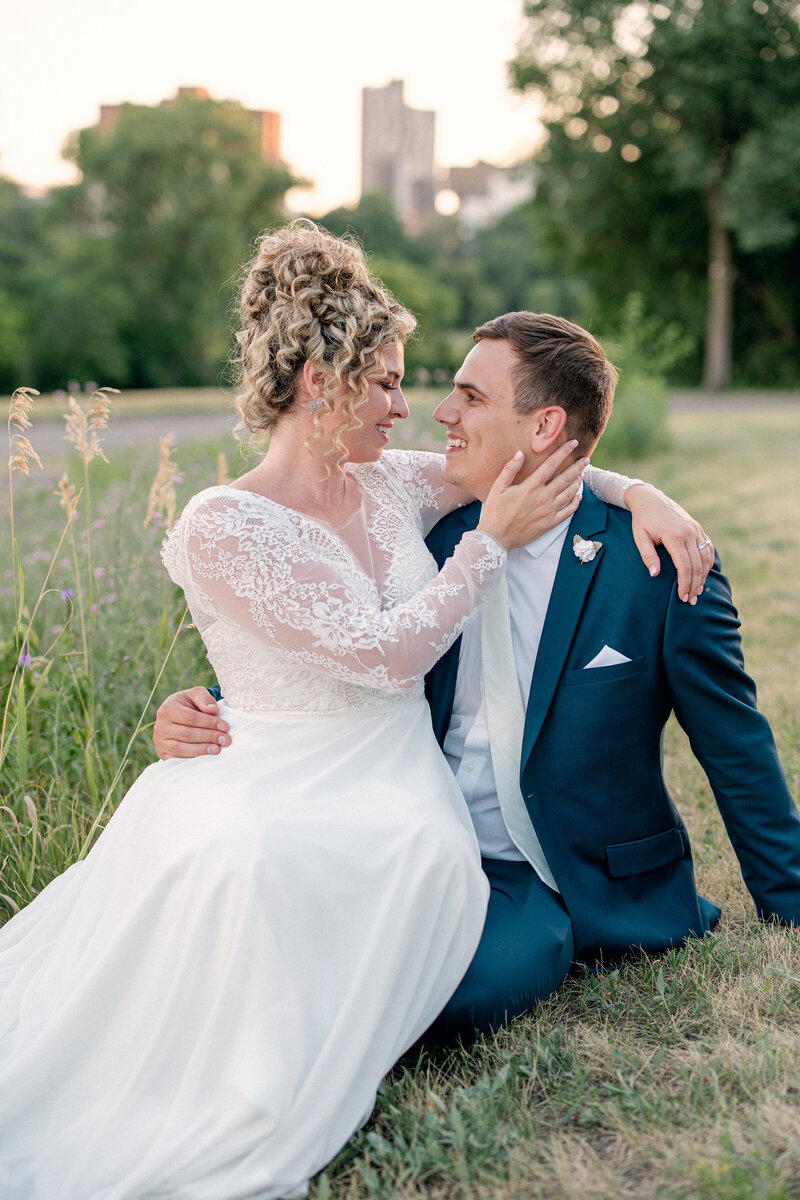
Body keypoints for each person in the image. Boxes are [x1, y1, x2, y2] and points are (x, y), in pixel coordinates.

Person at [0, 226, 687, 1200]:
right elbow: (383, 655)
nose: (411, 409)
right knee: (244, 860)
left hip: (392, 784)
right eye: (386, 384)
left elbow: (516, 466)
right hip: (271, 766)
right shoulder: (221, 523)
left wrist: (638, 489)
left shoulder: (386, 484)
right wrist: (482, 548)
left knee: (393, 863)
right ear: (320, 382)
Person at [158, 308, 800, 1051]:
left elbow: (735, 743)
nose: (439, 412)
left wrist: (789, 903)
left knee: (455, 996)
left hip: (550, 872)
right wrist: (212, 710)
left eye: (471, 396)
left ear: (543, 426)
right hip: (398, 835)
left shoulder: (654, 565)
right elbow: (342, 658)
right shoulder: (426, 534)